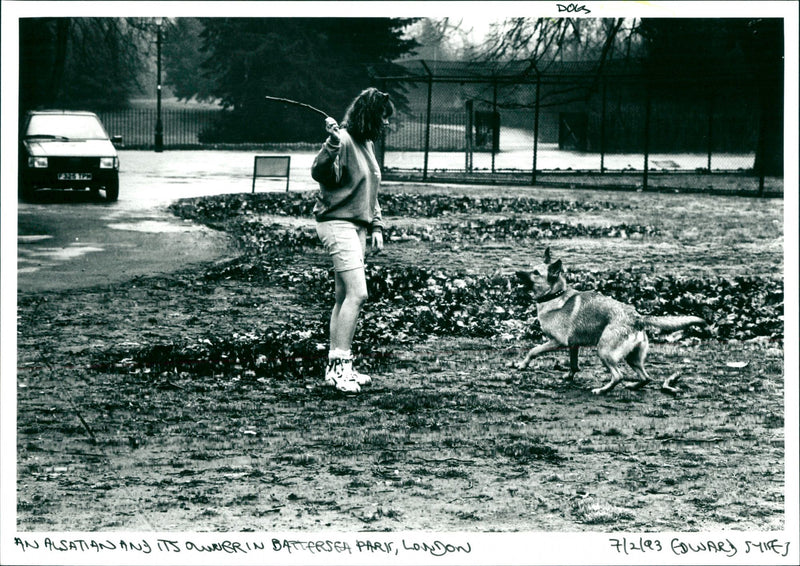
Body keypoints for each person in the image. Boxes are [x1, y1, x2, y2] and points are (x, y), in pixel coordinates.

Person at [311, 87, 394, 393]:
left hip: (356, 226)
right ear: (370, 116)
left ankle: (336, 368)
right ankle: (341, 368)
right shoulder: (343, 140)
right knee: (358, 294)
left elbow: (370, 190)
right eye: (383, 117)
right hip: (337, 224)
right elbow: (321, 173)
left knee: (343, 296)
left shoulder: (366, 143)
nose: (386, 123)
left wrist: (376, 227)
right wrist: (331, 145)